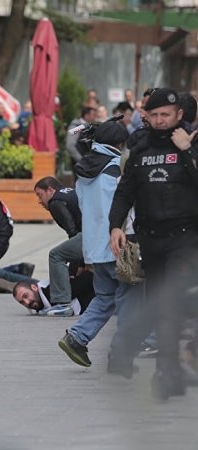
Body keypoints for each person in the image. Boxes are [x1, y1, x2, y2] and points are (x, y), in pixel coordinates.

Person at [109, 87, 198, 400]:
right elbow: (125, 191)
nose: (160, 121)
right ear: (146, 115)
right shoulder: (141, 146)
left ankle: (159, 365)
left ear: (179, 115)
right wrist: (115, 226)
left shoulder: (191, 141)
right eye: (155, 115)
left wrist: (187, 152)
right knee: (164, 305)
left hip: (186, 239)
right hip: (151, 239)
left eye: (166, 115)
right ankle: (168, 370)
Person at [58, 120, 149, 382]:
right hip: (118, 244)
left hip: (95, 248)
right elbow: (123, 209)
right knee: (130, 300)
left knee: (105, 296)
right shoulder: (115, 169)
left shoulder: (84, 171)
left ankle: (76, 338)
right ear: (119, 144)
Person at [33, 177, 84, 306]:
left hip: (91, 236)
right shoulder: (70, 192)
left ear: (50, 190)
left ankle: (61, 303)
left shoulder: (55, 202)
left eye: (40, 195)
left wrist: (73, 269)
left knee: (56, 255)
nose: (39, 201)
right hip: (100, 231)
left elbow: (73, 233)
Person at [11, 272, 94, 316]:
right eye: (22, 302)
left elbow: (88, 279)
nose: (27, 302)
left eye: (26, 296)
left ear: (34, 287)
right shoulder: (42, 305)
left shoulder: (53, 291)